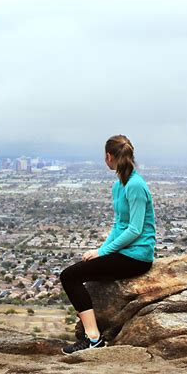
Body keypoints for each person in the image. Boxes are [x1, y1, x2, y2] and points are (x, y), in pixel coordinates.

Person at [60, 134, 156, 354]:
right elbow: (118, 225)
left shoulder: (135, 185)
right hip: (125, 252)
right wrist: (101, 251)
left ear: (108, 157)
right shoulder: (119, 185)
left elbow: (135, 229)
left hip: (137, 257)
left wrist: (103, 251)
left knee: (69, 276)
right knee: (79, 272)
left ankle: (93, 338)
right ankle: (93, 335)